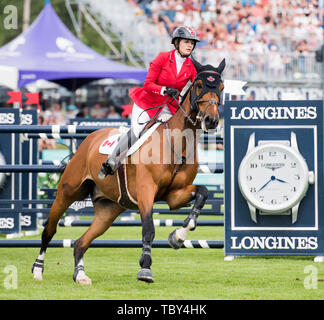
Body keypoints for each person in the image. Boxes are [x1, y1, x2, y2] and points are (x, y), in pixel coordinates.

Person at [98, 25, 200, 178]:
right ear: (177, 42)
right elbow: (148, 84)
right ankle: (112, 159)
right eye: (186, 42)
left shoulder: (191, 66)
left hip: (169, 107)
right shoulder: (163, 58)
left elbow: (197, 86)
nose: (189, 45)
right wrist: (164, 90)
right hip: (148, 102)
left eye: (192, 43)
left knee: (176, 132)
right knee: (138, 131)